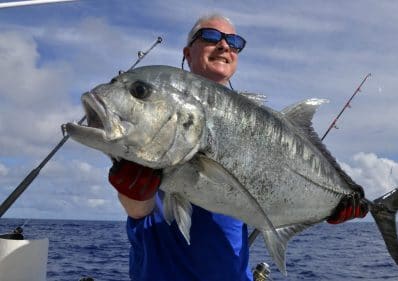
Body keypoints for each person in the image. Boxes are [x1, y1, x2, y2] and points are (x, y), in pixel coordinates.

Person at [108, 13, 367, 281]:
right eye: (210, 36)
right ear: (187, 53)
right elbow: (138, 210)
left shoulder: (259, 127)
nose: (224, 46)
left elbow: (284, 197)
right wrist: (134, 192)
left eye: (234, 41)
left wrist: (334, 204)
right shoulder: (158, 113)